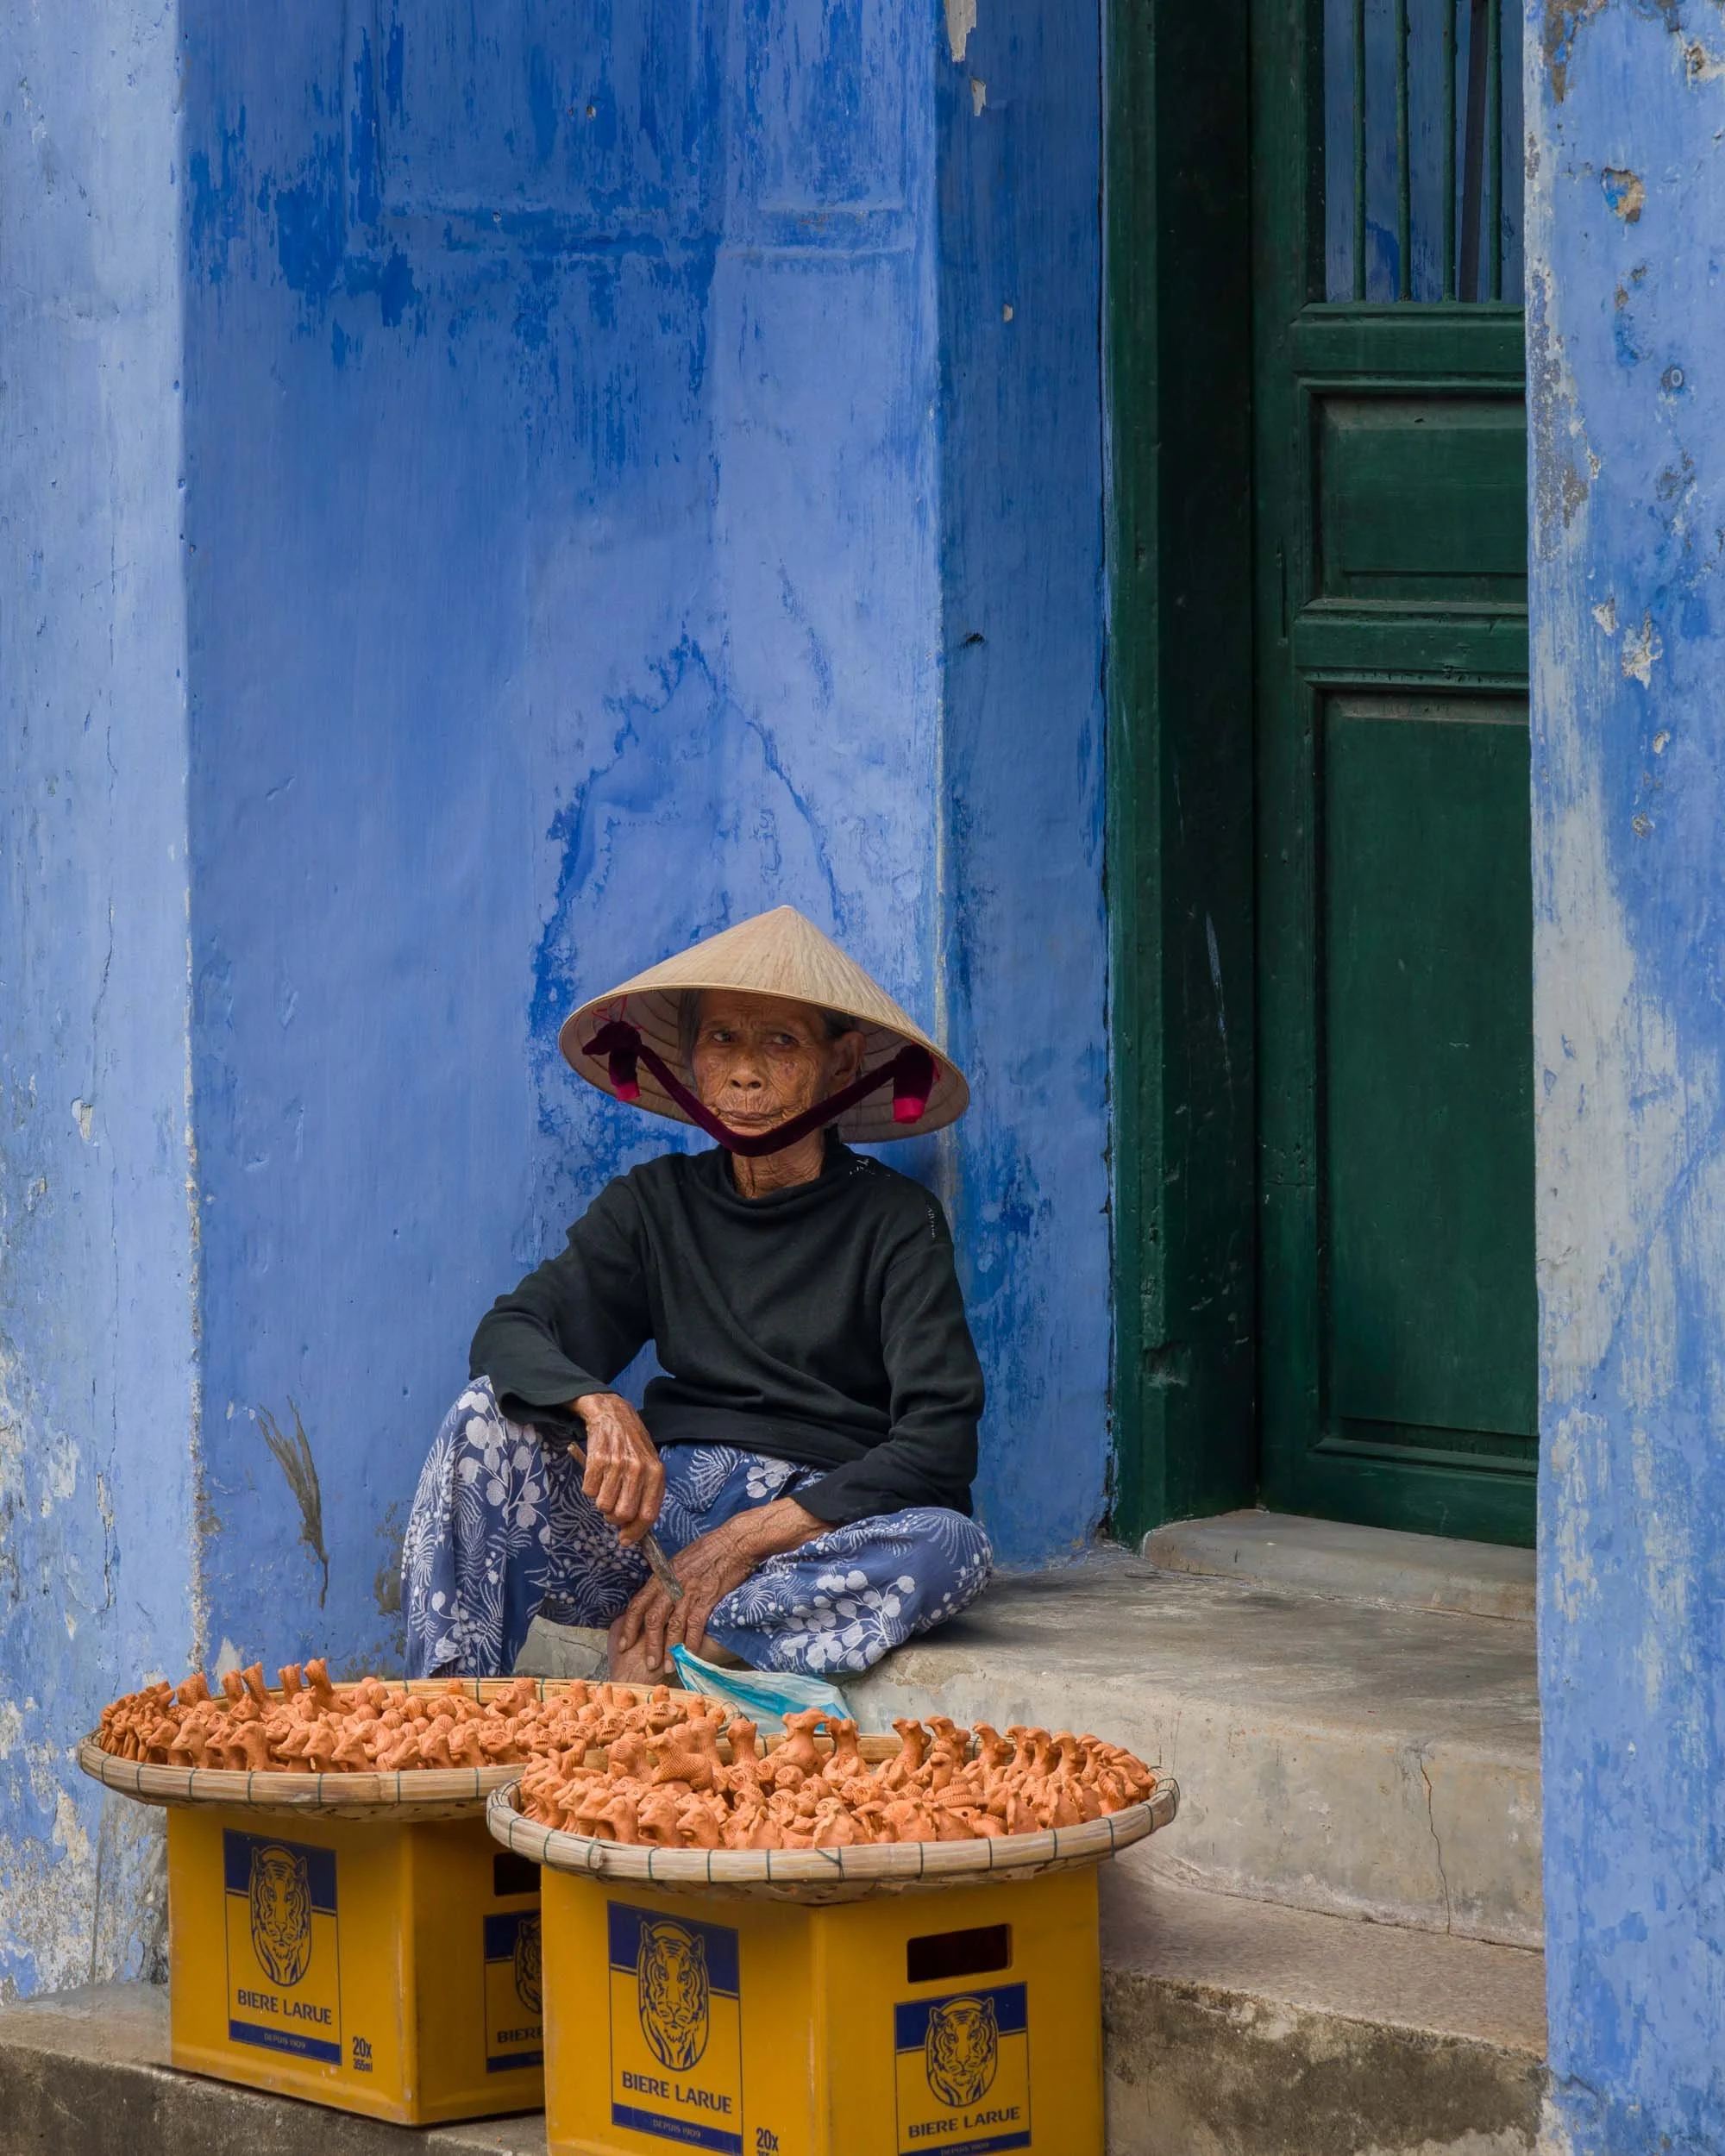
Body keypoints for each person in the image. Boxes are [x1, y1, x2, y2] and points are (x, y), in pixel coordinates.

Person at [401, 905, 991, 1683]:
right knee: (482, 1418)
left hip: (803, 1534)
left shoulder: (895, 1220)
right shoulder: (654, 1205)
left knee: (954, 1546)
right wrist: (599, 1405)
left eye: (781, 1042)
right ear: (689, 1059)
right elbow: (513, 1330)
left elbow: (940, 1445)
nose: (745, 1070)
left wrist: (746, 1540)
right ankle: (447, 1720)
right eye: (723, 1040)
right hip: (660, 1522)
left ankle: (689, 1646)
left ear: (841, 1066)